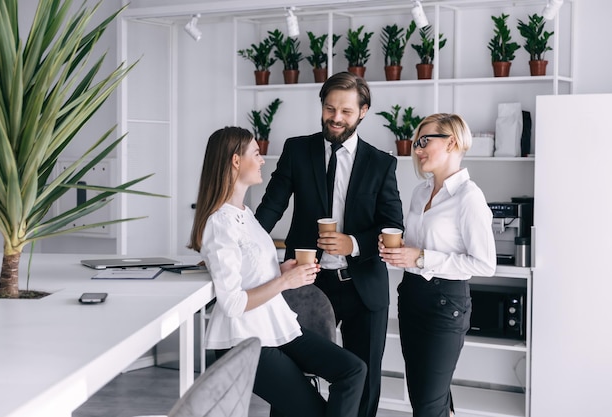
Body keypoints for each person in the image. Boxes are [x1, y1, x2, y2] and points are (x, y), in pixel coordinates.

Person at [188, 126, 366, 417]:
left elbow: (252, 270)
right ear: (236, 161)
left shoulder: (244, 214)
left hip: (277, 327)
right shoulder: (220, 223)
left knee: (353, 369)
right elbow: (232, 303)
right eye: (256, 154)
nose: (261, 161)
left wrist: (280, 270)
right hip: (245, 341)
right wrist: (285, 281)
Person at [255, 71, 404, 417]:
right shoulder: (296, 150)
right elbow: (270, 208)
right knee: (291, 372)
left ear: (363, 111)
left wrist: (352, 243)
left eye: (346, 112)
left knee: (364, 380)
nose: (336, 118)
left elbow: (393, 224)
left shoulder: (382, 163)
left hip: (362, 287)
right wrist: (239, 243)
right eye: (329, 108)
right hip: (305, 284)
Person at [378, 113, 497, 417]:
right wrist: (400, 251)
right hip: (412, 296)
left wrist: (420, 257)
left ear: (452, 142)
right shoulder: (420, 193)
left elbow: (484, 264)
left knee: (428, 405)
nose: (417, 149)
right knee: (424, 396)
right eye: (417, 143)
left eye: (424, 141)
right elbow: (419, 247)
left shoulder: (469, 197)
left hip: (445, 303)